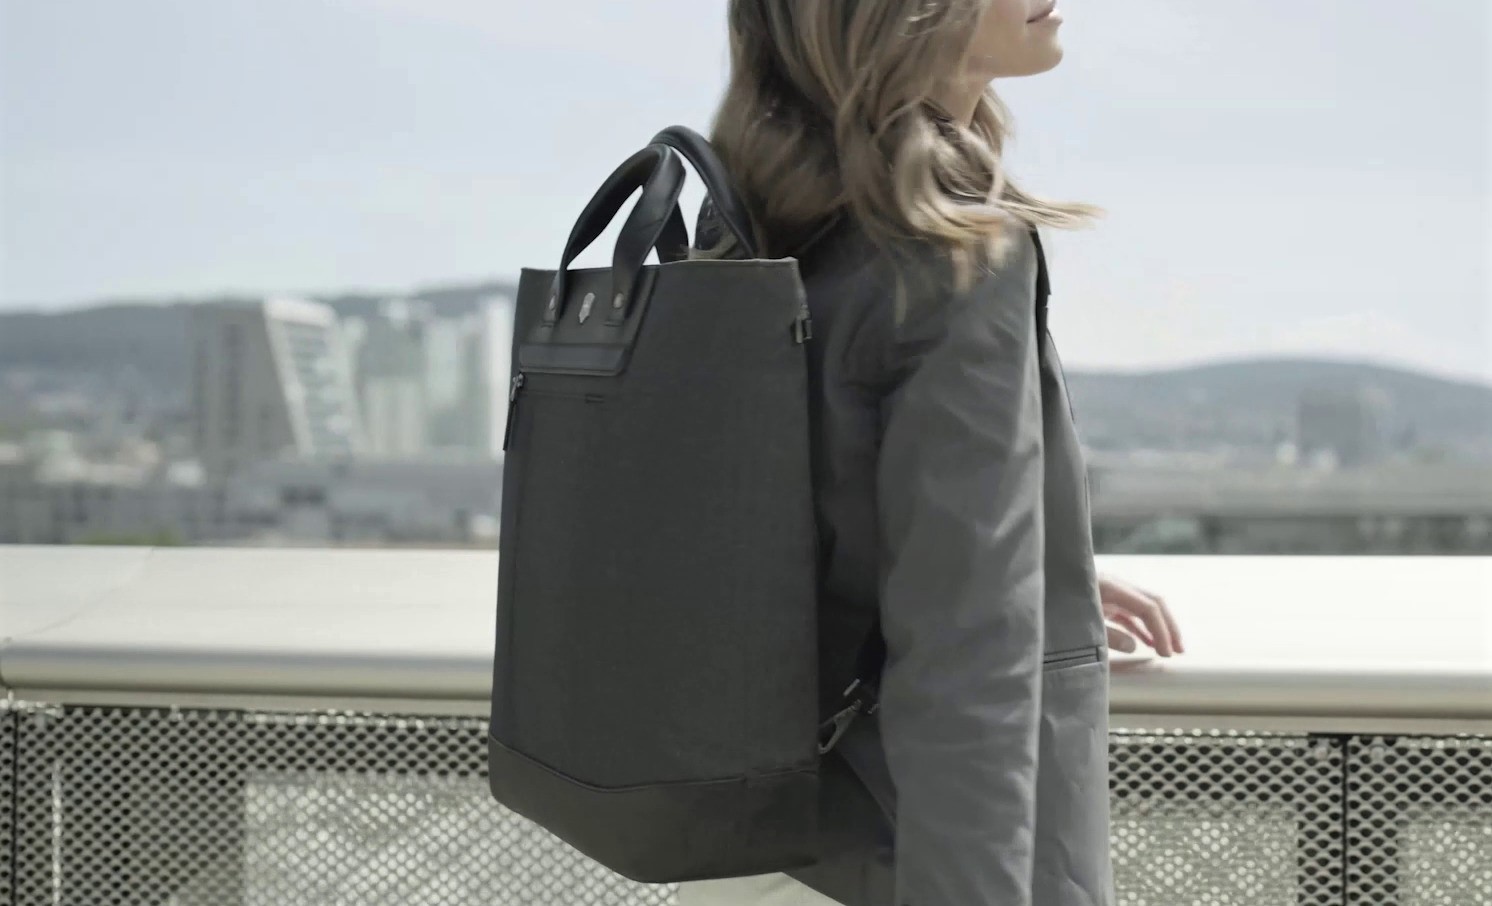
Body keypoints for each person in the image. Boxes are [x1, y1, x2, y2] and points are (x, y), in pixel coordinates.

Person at [675, 2, 1186, 905]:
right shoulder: (949, 246)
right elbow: (966, 658)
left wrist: (1038, 568)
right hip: (895, 854)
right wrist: (996, 580)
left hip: (751, 838)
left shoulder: (763, 213)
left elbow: (797, 510)